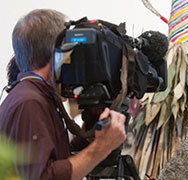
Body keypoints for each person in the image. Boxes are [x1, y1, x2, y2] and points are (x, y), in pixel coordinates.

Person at [0, 9, 126, 180]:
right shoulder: (29, 102)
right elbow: (44, 176)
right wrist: (102, 148)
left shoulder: (38, 96)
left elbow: (57, 159)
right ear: (57, 51)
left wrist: (89, 132)